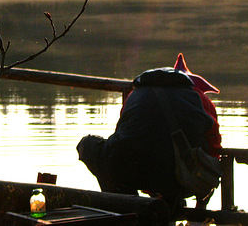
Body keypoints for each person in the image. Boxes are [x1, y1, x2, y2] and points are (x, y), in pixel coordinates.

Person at [77, 53, 222, 211]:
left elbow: (122, 137)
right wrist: (203, 193)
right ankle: (168, 203)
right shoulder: (201, 99)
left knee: (88, 145)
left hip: (130, 172)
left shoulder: (135, 95)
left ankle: (127, 205)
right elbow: (214, 147)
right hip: (179, 181)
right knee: (172, 164)